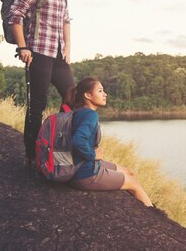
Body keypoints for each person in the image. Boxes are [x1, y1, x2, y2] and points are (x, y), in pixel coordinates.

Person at [8, 0, 75, 166]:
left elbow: (66, 20)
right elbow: (15, 14)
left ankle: (57, 141)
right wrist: (23, 47)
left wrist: (67, 48)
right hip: (37, 51)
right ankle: (32, 154)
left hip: (57, 54)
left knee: (72, 97)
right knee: (37, 103)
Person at [64, 77, 153, 207]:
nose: (105, 94)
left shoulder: (77, 112)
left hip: (79, 168)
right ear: (88, 95)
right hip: (85, 175)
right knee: (134, 184)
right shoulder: (90, 115)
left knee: (129, 172)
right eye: (100, 91)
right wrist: (93, 155)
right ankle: (153, 217)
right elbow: (78, 140)